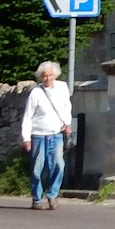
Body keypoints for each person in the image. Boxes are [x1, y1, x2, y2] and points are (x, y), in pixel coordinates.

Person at [21, 60, 74, 209]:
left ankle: (52, 194)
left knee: (59, 164)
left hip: (56, 134)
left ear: (55, 75)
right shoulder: (36, 92)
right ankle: (37, 198)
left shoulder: (62, 87)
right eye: (45, 76)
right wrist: (26, 138)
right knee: (37, 168)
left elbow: (66, 107)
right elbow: (28, 116)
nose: (48, 78)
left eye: (50, 75)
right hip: (38, 135)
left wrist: (67, 123)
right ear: (40, 77)